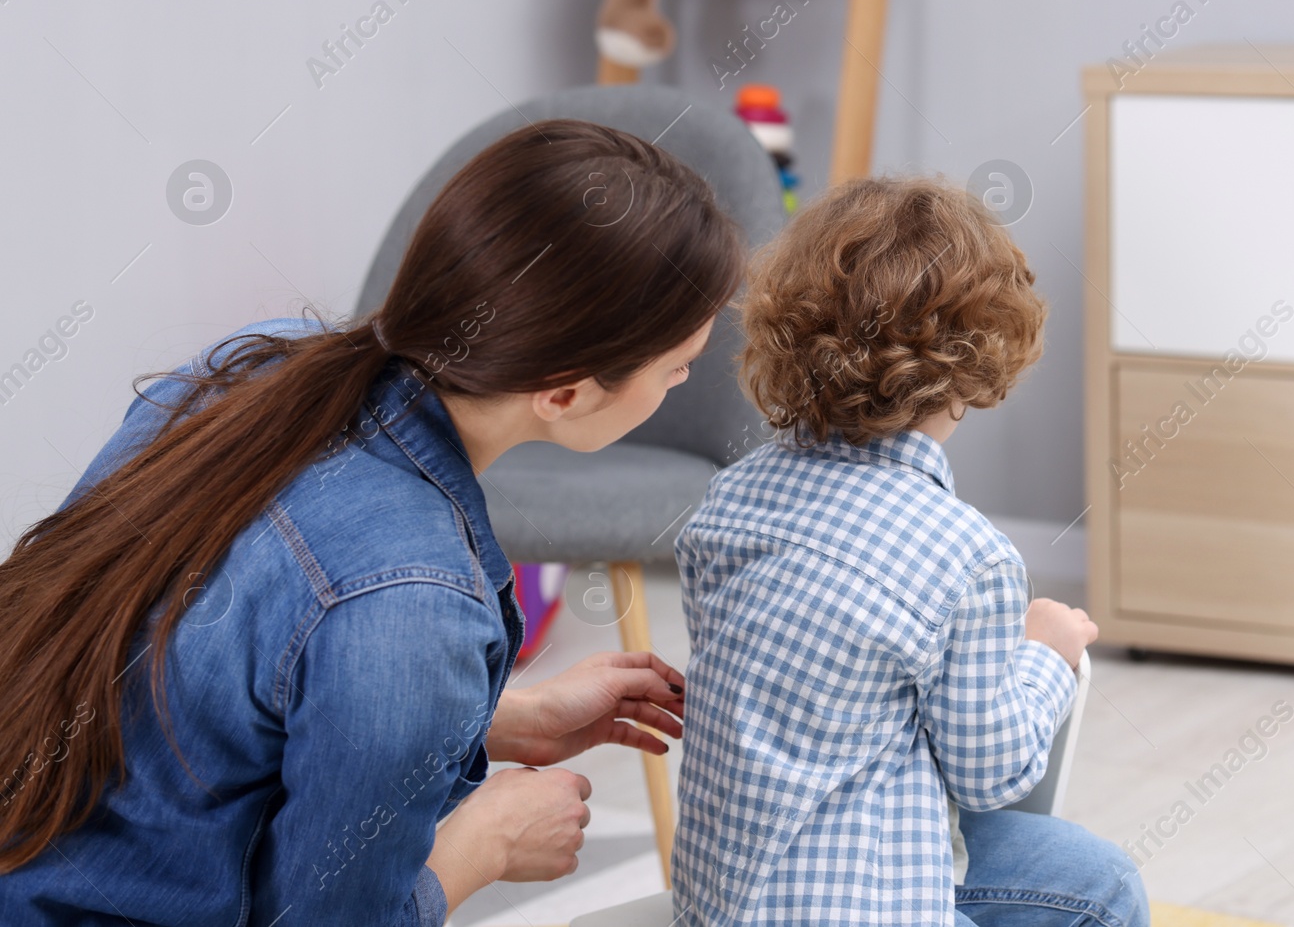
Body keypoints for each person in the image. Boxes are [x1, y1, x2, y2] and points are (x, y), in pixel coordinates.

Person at [0, 120, 745, 926]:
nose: (681, 382)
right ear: (563, 392)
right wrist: (482, 845)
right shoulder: (414, 598)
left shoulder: (253, 366)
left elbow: (195, 703)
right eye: (677, 369)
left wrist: (495, 724)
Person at [670, 176, 1150, 926]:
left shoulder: (730, 499)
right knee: (1105, 890)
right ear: (973, 362)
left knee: (1079, 866)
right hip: (862, 907)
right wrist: (1046, 658)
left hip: (718, 904)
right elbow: (990, 772)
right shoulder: (965, 557)